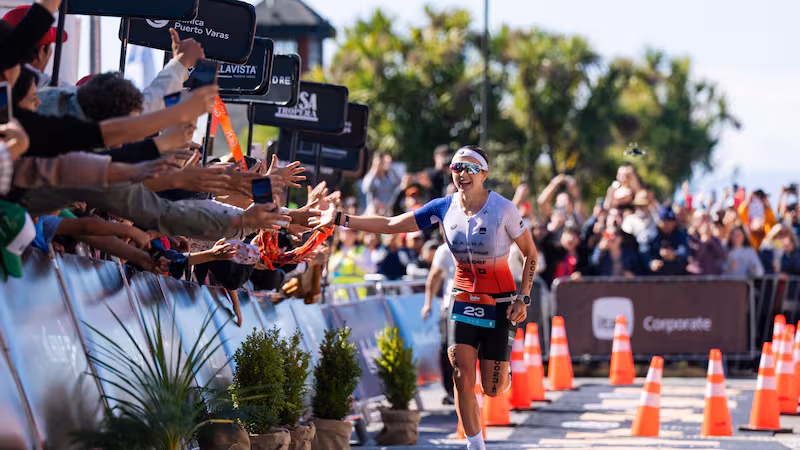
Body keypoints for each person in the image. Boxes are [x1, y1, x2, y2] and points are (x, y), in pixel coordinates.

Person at [313, 145, 538, 450]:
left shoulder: (503, 209)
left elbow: (530, 253)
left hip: (500, 302)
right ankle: (475, 445)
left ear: (484, 174)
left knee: (493, 388)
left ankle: (500, 371)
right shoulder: (443, 207)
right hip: (462, 299)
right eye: (457, 168)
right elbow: (392, 225)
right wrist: (342, 219)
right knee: (460, 373)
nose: (463, 174)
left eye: (471, 168)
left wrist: (523, 298)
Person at [421, 242, 457, 405]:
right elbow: (433, 276)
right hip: (452, 305)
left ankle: (467, 389)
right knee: (447, 348)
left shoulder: (479, 240)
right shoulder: (444, 250)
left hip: (472, 303)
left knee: (455, 348)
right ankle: (452, 391)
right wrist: (427, 302)